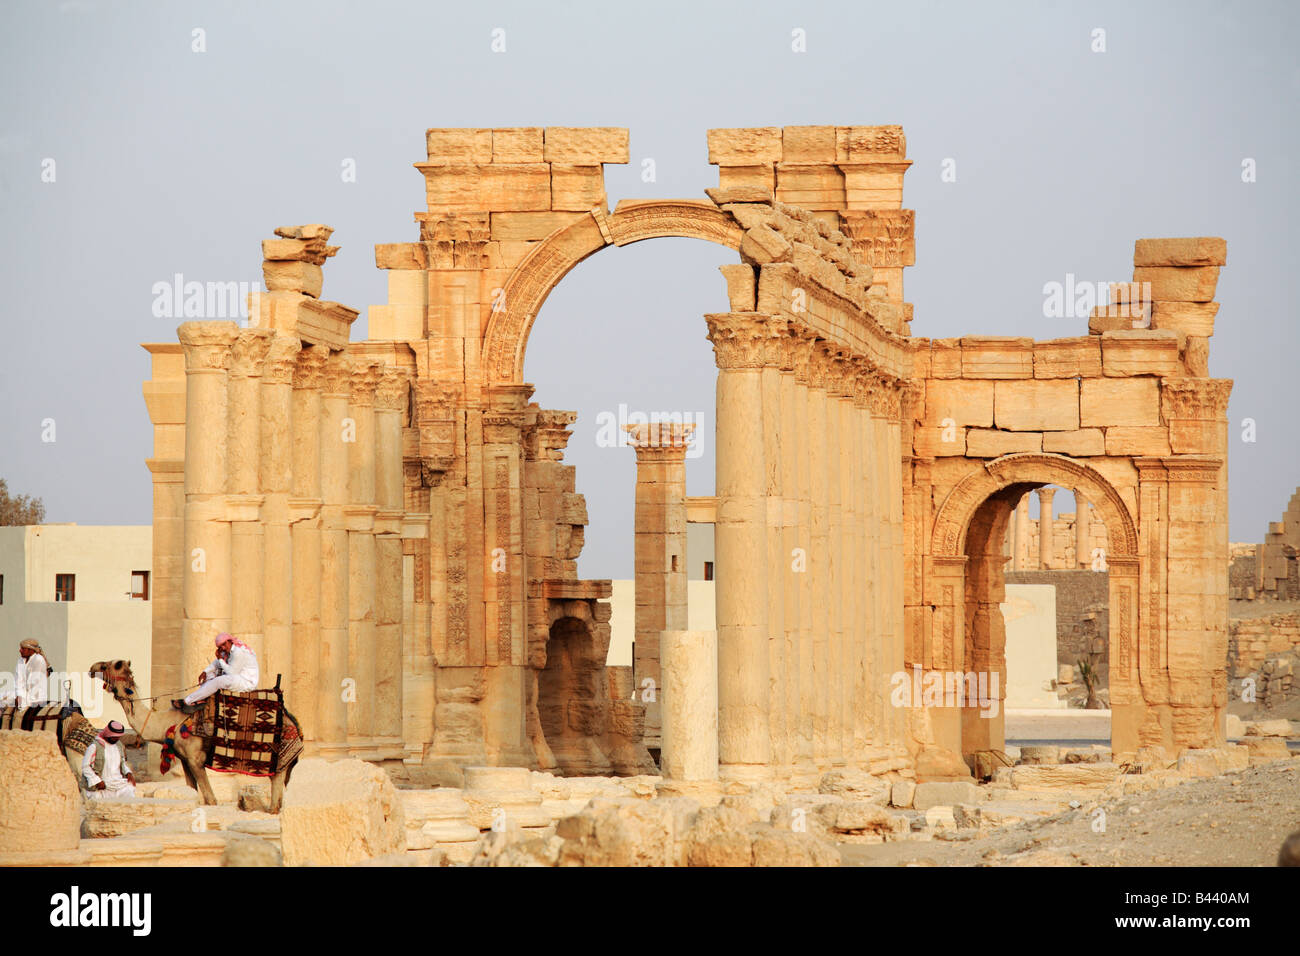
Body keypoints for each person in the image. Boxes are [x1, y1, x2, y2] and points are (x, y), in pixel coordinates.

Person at [172, 632, 258, 714]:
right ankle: (201, 700)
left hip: (246, 681)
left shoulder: (238, 652)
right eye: (221, 647)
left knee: (218, 681)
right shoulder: (229, 650)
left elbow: (231, 672)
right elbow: (216, 663)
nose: (223, 648)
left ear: (229, 641)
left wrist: (220, 659)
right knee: (209, 675)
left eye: (224, 644)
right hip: (236, 677)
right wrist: (205, 672)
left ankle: (186, 701)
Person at [82, 720, 136, 799]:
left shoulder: (119, 745)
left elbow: (122, 763)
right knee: (96, 797)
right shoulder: (95, 746)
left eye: (118, 737)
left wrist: (128, 773)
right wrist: (97, 781)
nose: (116, 739)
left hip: (118, 784)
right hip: (103, 785)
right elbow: (85, 766)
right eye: (114, 737)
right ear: (108, 734)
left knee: (129, 791)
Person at [15, 639, 51, 709]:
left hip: (35, 698)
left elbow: (33, 683)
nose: (20, 650)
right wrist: (18, 694)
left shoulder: (38, 660)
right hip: (23, 695)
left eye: (23, 649)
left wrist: (21, 698)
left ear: (30, 650)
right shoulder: (20, 661)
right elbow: (18, 680)